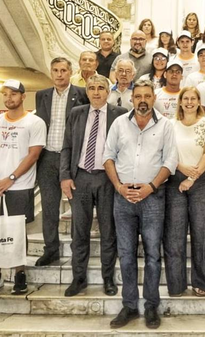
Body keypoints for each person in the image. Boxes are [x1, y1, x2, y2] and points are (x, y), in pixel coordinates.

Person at [104, 79, 178, 329]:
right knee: (125, 256)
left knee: (153, 256)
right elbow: (108, 156)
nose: (143, 100)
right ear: (132, 99)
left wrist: (151, 187)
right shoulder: (119, 124)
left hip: (152, 199)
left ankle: (151, 307)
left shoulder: (165, 125)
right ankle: (129, 306)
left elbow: (170, 161)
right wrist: (118, 186)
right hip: (123, 197)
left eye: (147, 96)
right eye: (138, 97)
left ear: (154, 98)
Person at [0, 79, 46, 295]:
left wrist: (10, 178)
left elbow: (33, 155)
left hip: (20, 186)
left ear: (23, 97)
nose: (8, 98)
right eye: (5, 94)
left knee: (16, 231)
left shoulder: (35, 122)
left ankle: (19, 273)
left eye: (13, 94)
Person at [59, 74, 128, 297]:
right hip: (81, 179)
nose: (96, 92)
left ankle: (108, 278)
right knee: (80, 232)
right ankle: (78, 278)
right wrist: (65, 176)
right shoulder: (76, 114)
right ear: (86, 92)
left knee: (109, 231)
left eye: (100, 88)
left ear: (108, 92)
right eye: (91, 88)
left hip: (108, 179)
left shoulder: (120, 115)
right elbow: (67, 146)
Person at [35, 57, 89, 266]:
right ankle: (51, 249)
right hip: (47, 156)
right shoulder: (42, 96)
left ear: (70, 72)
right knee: (49, 206)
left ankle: (78, 249)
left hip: (72, 157)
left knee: (77, 207)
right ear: (51, 73)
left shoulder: (81, 94)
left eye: (63, 70)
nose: (59, 74)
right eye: (55, 70)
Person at [164, 86, 205, 297]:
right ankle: (176, 285)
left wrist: (191, 178)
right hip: (175, 179)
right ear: (179, 101)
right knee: (174, 234)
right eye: (185, 98)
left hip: (201, 180)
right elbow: (166, 152)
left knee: (202, 232)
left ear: (198, 102)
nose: (188, 102)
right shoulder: (170, 124)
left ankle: (202, 282)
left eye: (192, 98)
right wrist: (180, 168)